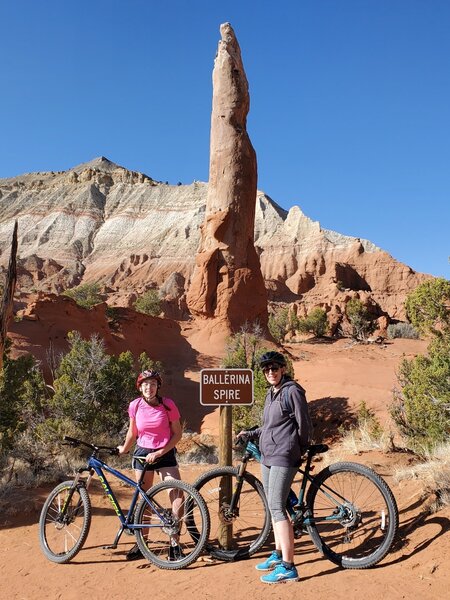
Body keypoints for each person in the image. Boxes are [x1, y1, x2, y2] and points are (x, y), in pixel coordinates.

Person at [239, 351, 312, 584]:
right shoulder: (272, 393)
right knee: (273, 506)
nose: (271, 372)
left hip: (284, 455)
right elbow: (269, 427)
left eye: (275, 368)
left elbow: (304, 423)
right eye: (267, 369)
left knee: (278, 508)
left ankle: (288, 567)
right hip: (268, 455)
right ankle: (278, 553)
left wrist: (300, 448)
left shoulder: (292, 391)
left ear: (283, 369)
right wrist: (249, 433)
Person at [118, 369, 183, 561]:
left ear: (158, 387)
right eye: (145, 384)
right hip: (142, 455)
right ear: (140, 386)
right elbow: (133, 432)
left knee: (177, 494)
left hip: (165, 453)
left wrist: (160, 453)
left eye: (153, 384)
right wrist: (124, 448)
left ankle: (175, 544)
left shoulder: (168, 405)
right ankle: (142, 544)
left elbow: (177, 434)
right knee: (144, 498)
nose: (149, 387)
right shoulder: (135, 406)